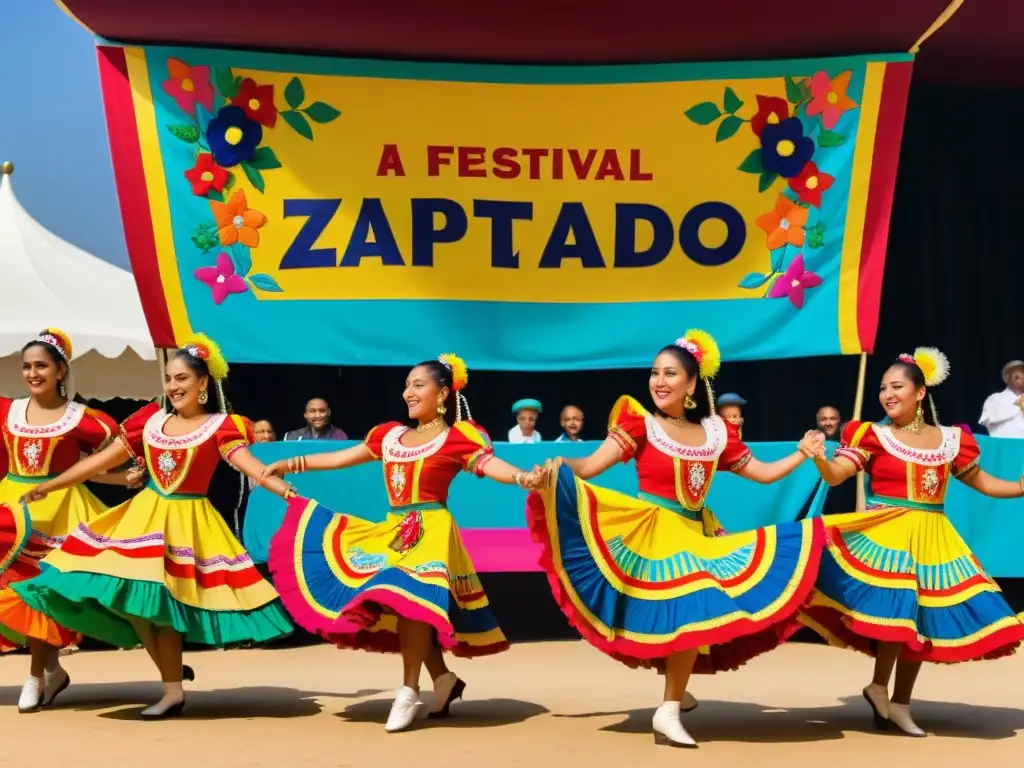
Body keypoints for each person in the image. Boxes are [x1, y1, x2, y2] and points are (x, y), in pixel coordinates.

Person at [525, 330, 825, 748]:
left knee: (695, 614)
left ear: (691, 383)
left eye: (670, 373)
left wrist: (802, 452)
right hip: (653, 531)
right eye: (654, 373)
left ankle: (675, 696)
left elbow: (763, 473)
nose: (658, 381)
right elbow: (591, 465)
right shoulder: (641, 424)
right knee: (685, 612)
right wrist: (557, 466)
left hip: (699, 532)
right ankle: (668, 708)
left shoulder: (716, 433)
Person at [14, 334, 295, 719]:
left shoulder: (221, 426)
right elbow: (98, 463)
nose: (173, 387)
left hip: (187, 521)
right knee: (132, 602)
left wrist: (282, 488)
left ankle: (172, 690)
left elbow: (248, 464)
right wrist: (49, 485)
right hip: (144, 518)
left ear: (202, 384)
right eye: (168, 378)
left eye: (181, 378)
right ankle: (170, 679)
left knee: (165, 608)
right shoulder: (150, 422)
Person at [264, 354, 546, 733]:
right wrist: (292, 462)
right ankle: (442, 680)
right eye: (407, 385)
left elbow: (492, 467)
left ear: (443, 393)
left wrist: (524, 478)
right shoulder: (390, 435)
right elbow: (341, 458)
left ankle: (409, 690)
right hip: (395, 531)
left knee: (410, 600)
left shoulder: (458, 437)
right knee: (406, 605)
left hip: (431, 531)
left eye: (418, 385)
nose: (408, 392)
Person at [799, 348, 1024, 737]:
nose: (887, 394)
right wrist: (820, 458)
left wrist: (1019, 487)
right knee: (899, 616)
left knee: (920, 620)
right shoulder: (873, 435)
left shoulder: (951, 439)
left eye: (897, 386)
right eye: (883, 387)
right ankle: (887, 693)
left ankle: (895, 698)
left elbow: (980, 481)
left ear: (920, 392)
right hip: (888, 533)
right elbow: (837, 475)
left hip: (933, 536)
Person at [0, 329, 144, 712]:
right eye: (27, 366)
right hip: (13, 509)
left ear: (61, 370)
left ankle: (34, 677)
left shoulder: (86, 420)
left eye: (42, 366)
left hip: (61, 510)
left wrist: (123, 477)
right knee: (14, 591)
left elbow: (97, 466)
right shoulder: (6, 410)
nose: (33, 373)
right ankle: (52, 670)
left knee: (42, 592)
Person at [978, 360, 1024, 438]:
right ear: (1007, 378)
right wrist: (1019, 405)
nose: (1021, 380)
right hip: (1004, 446)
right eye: (1016, 377)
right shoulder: (995, 399)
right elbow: (989, 419)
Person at [284, 398, 348, 441]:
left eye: (322, 411)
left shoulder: (339, 436)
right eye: (312, 411)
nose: (317, 416)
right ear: (305, 415)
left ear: (329, 412)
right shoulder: (292, 436)